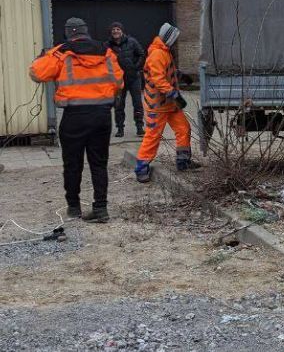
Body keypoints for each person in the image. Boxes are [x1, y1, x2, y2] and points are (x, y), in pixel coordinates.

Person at [28, 17, 124, 223]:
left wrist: (42, 57)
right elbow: (118, 82)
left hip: (74, 117)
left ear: (68, 33)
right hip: (101, 116)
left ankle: (73, 207)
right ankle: (101, 209)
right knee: (99, 164)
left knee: (72, 164)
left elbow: (36, 74)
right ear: (85, 31)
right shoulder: (106, 51)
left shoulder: (61, 52)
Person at [135, 23, 194, 182]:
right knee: (153, 136)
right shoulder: (157, 54)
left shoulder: (164, 52)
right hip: (158, 105)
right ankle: (141, 168)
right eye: (175, 39)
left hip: (169, 104)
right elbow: (158, 79)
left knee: (183, 129)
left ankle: (183, 161)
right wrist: (175, 95)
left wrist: (181, 76)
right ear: (169, 38)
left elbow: (167, 72)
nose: (176, 42)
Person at [107, 22, 146, 138]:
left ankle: (139, 127)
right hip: (118, 80)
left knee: (137, 103)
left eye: (118, 29)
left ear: (122, 31)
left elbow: (141, 54)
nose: (115, 31)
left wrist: (136, 67)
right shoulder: (107, 45)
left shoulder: (132, 42)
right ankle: (120, 129)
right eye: (113, 30)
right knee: (119, 105)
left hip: (134, 78)